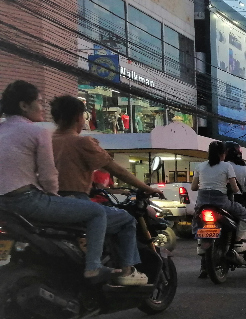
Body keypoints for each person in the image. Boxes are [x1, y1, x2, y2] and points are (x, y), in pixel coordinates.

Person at [0, 81, 113, 280]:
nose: (43, 108)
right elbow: (48, 175)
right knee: (96, 212)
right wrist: (54, 197)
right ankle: (93, 267)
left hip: (4, 206)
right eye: (39, 102)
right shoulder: (38, 131)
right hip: (27, 201)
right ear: (24, 105)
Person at [50, 95, 162, 286]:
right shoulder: (82, 142)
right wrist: (146, 188)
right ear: (78, 117)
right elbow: (116, 169)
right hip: (77, 202)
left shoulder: (46, 141)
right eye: (84, 116)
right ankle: (127, 269)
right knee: (126, 220)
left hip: (50, 202)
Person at [191, 141, 246, 252]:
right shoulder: (227, 166)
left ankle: (200, 242)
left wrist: (205, 185)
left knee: (196, 218)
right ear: (223, 153)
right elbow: (235, 188)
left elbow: (193, 187)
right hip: (221, 202)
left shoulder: (200, 166)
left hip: (202, 201)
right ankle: (238, 241)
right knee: (245, 214)